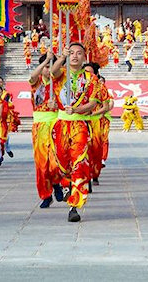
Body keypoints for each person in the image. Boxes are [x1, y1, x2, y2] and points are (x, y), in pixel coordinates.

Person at [51, 41, 100, 223]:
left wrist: (76, 110)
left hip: (79, 124)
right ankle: (66, 185)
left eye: (79, 53)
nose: (75, 56)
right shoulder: (62, 74)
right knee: (62, 161)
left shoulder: (91, 79)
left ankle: (75, 205)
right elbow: (52, 72)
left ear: (84, 57)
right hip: (61, 124)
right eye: (71, 53)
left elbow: (93, 103)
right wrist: (61, 58)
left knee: (79, 161)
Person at [29, 52, 63, 208]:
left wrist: (57, 105)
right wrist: (47, 60)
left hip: (56, 124)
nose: (48, 70)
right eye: (46, 67)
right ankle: (46, 195)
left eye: (51, 67)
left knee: (55, 161)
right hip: (40, 126)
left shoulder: (60, 83)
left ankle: (56, 182)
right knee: (42, 163)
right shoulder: (36, 82)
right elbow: (32, 76)